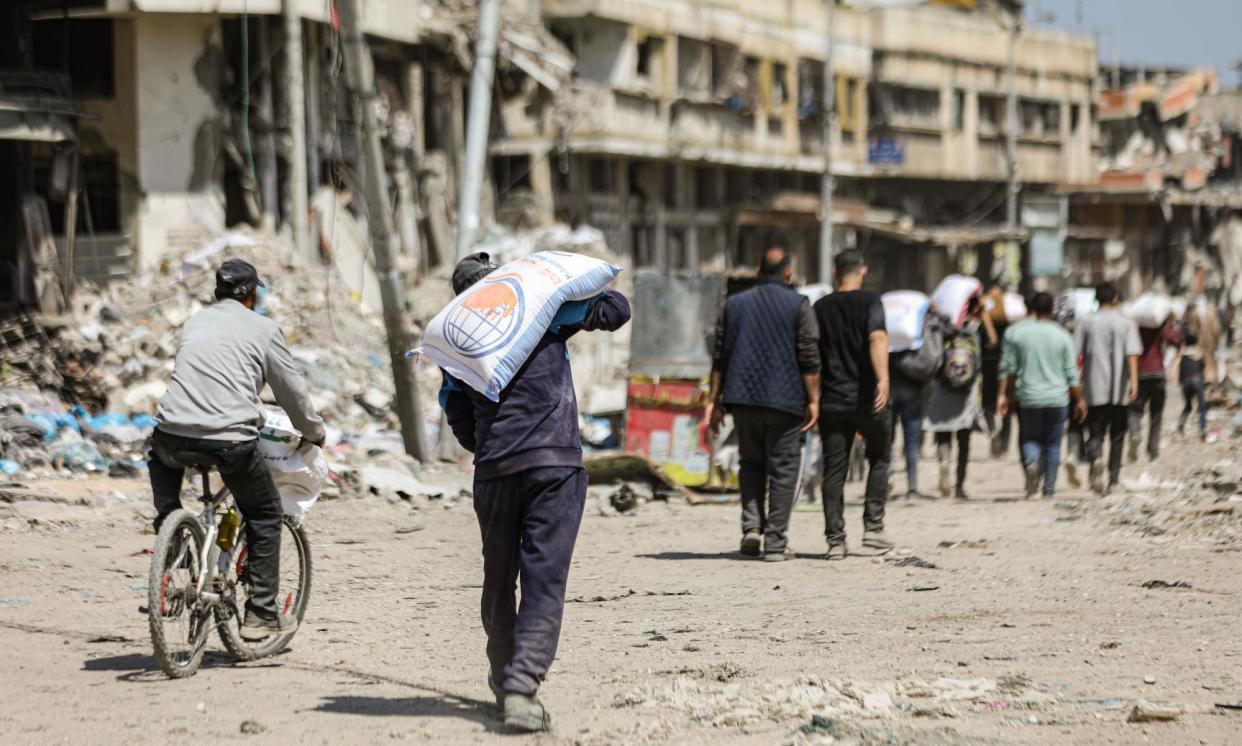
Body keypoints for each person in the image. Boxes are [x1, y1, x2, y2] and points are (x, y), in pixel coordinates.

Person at [440, 252, 630, 733]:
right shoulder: (539, 312)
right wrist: (564, 291)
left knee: (499, 577)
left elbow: (460, 421)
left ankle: (507, 680)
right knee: (544, 576)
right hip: (554, 464)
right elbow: (617, 309)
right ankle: (522, 687)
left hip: (496, 471)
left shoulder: (455, 345)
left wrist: (495, 440)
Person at [148, 258, 326, 641]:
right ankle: (261, 613)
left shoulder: (195, 322)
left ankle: (172, 533)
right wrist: (314, 432)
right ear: (253, 294)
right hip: (229, 441)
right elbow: (290, 390)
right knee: (264, 512)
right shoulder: (264, 329)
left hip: (170, 436)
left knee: (163, 474)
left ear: (216, 292)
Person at [705, 248, 820, 561]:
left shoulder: (734, 305)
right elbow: (809, 354)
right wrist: (813, 399)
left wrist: (713, 402)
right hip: (786, 400)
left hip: (742, 399)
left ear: (758, 271)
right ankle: (775, 542)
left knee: (751, 463)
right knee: (784, 469)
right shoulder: (799, 304)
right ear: (788, 273)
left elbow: (719, 356)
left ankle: (752, 529)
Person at [813, 250, 891, 559]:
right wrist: (883, 379)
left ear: (835, 272)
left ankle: (835, 540)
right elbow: (877, 339)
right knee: (880, 457)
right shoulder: (871, 301)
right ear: (863, 271)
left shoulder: (820, 307)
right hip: (869, 397)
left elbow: (812, 353)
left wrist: (813, 395)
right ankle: (873, 528)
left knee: (834, 469)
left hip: (832, 398)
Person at [997, 292, 1087, 499]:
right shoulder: (1062, 335)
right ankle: (1048, 490)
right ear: (1052, 309)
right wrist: (1080, 399)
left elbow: (1007, 368)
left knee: (1029, 438)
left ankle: (1031, 464)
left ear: (1033, 309)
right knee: (1053, 444)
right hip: (1057, 399)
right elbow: (1071, 372)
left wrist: (1003, 395)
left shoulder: (1017, 333)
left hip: (1028, 397)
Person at [924, 295, 994, 499]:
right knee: (964, 438)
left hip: (944, 386)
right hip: (968, 390)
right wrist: (985, 316)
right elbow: (993, 341)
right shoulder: (976, 329)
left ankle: (944, 461)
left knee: (943, 430)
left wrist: (938, 312)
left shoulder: (946, 328)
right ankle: (959, 485)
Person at [1074, 283, 1141, 495]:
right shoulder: (1127, 323)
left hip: (1094, 388)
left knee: (1095, 432)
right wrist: (1134, 381)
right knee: (1118, 435)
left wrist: (1077, 389)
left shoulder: (1086, 322)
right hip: (1119, 389)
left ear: (1096, 300)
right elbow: (1132, 353)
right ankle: (1113, 480)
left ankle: (1096, 458)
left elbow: (1076, 356)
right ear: (1115, 299)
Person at [1128, 316, 1181, 462]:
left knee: (1134, 411)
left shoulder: (1136, 326)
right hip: (1158, 374)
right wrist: (1171, 324)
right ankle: (1153, 451)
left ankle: (1135, 432)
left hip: (1140, 374)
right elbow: (1176, 340)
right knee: (1156, 415)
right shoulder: (1159, 325)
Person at [981, 280, 1013, 457]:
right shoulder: (1007, 322)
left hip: (989, 365)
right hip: (1005, 367)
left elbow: (987, 341)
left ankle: (993, 430)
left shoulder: (985, 321)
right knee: (1005, 405)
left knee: (987, 405)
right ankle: (1004, 444)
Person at [1178, 333, 1208, 439]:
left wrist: (1181, 383)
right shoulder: (1199, 354)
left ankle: (1182, 420)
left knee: (1188, 405)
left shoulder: (1183, 355)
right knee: (1202, 407)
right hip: (1197, 380)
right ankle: (1202, 429)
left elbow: (1181, 372)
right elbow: (1203, 368)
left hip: (1186, 382)